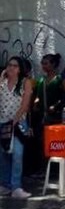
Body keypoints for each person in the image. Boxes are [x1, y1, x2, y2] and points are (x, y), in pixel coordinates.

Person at [0, 56, 34, 199]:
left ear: (20, 69)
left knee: (17, 154)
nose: (11, 68)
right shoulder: (2, 82)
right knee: (4, 154)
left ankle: (16, 186)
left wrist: (15, 119)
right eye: (9, 65)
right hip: (2, 121)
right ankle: (5, 184)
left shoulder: (25, 83)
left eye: (14, 66)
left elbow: (25, 104)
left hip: (18, 123)